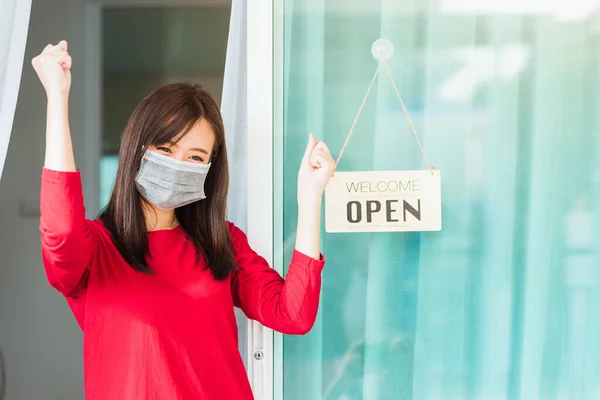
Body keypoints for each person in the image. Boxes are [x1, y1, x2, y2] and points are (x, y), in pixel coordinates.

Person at [32, 40, 335, 399]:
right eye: (165, 149)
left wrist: (310, 196)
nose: (177, 164)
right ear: (137, 147)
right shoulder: (96, 249)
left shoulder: (221, 241)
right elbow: (62, 227)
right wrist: (57, 95)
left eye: (195, 157)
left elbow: (293, 314)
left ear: (209, 169)